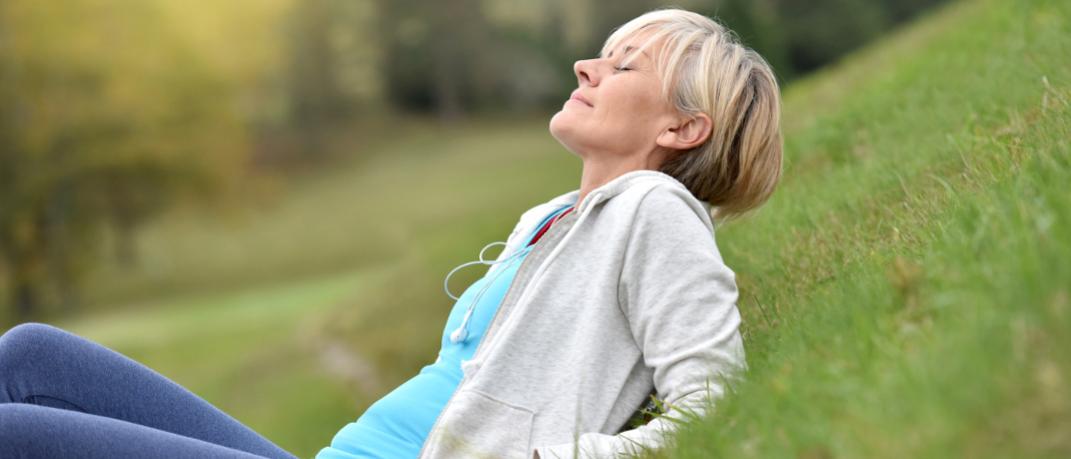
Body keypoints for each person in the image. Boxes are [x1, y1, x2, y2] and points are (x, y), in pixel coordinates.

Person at [0, 6, 781, 459]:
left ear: (683, 126)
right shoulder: (548, 221)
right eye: (601, 54)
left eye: (623, 67)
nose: (585, 66)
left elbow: (713, 400)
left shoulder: (655, 211)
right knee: (30, 352)